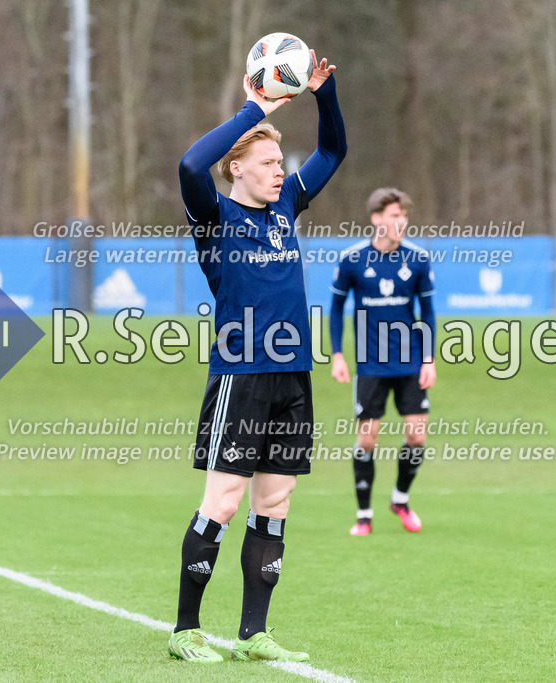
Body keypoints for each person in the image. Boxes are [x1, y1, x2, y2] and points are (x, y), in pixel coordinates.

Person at [169, 51, 346, 663]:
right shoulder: (214, 217)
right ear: (236, 167)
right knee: (222, 502)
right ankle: (186, 630)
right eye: (268, 162)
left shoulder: (285, 208)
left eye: (279, 162)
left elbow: (331, 155)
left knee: (274, 505)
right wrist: (255, 109)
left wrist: (324, 95)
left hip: (292, 379)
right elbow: (191, 162)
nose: (279, 171)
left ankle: (253, 633)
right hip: (240, 379)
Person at [329, 188, 436, 536]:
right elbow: (335, 309)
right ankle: (364, 515)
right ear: (376, 219)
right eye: (394, 215)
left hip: (410, 362)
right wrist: (338, 356)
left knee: (417, 436)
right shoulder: (352, 259)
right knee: (367, 441)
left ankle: (401, 499)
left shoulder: (418, 259)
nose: (401, 221)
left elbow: (428, 311)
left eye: (403, 215)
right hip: (370, 365)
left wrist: (429, 358)